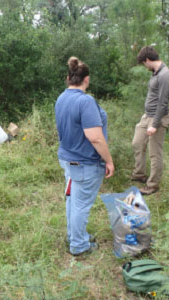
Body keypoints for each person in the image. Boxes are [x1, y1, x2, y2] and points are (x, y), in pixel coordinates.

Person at [55, 56, 115, 256]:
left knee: (73, 200)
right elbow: (95, 138)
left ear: (68, 78)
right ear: (86, 79)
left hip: (68, 159)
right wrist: (109, 160)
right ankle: (79, 245)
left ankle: (75, 236)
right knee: (80, 204)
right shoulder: (85, 101)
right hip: (85, 162)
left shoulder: (62, 98)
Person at [131, 46, 169, 195]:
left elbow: (163, 102)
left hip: (158, 118)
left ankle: (153, 185)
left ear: (148, 60)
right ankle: (139, 174)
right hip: (147, 115)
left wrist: (155, 125)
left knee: (154, 153)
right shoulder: (155, 72)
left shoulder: (165, 75)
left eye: (144, 63)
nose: (144, 66)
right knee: (137, 143)